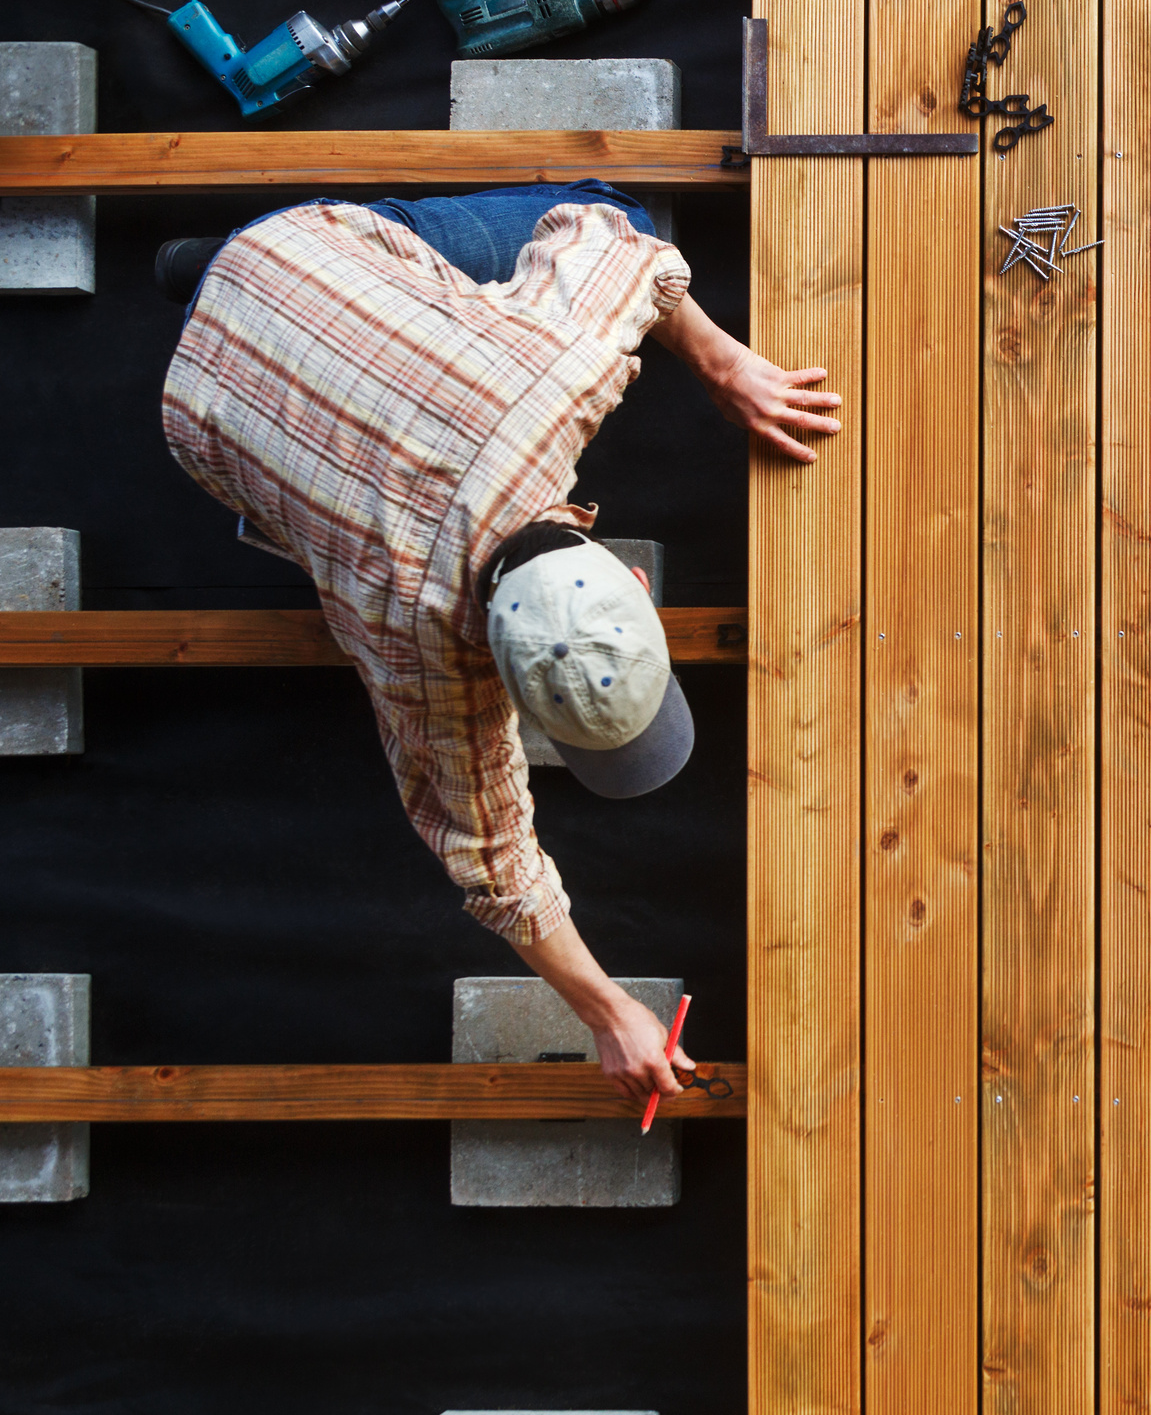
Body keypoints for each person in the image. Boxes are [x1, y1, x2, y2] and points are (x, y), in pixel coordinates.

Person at [157, 181, 839, 1103]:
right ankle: (223, 307)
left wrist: (727, 368)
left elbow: (621, 245)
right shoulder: (415, 655)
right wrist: (604, 1012)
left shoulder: (554, 376)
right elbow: (489, 858)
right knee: (330, 547)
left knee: (618, 212)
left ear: (632, 581)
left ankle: (217, 284)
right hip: (199, 403)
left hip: (288, 266)